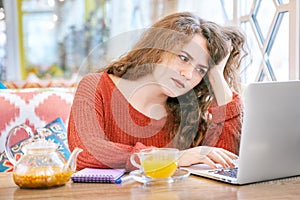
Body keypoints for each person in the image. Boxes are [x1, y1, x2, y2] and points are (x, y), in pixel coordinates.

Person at [68, 12, 248, 171]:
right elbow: (84, 152)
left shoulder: (190, 113)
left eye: (200, 69)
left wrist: (217, 77)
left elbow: (225, 166)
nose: (188, 74)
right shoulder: (95, 86)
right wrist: (173, 158)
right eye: (184, 58)